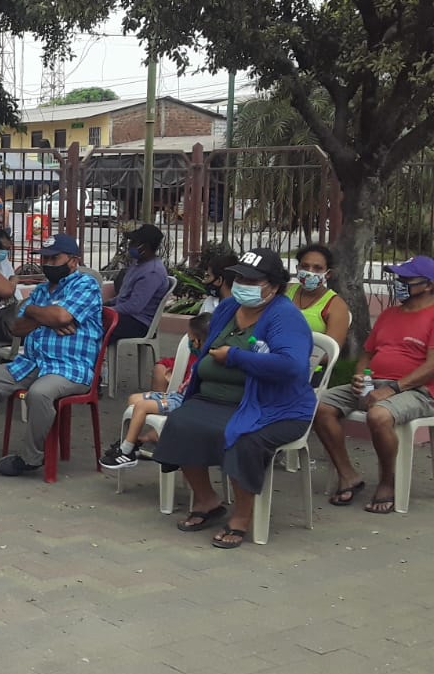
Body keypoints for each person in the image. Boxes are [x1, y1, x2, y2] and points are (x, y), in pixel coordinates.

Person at [152, 249, 316, 549]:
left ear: (274, 286)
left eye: (252, 281)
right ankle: (207, 500)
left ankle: (242, 516)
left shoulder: (284, 316)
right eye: (240, 278)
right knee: (180, 423)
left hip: (273, 407)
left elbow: (292, 366)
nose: (243, 285)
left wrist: (236, 357)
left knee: (242, 438)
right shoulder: (228, 308)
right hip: (214, 400)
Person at [0, 233, 104, 476]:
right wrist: (43, 315)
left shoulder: (85, 285)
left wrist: (37, 313)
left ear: (73, 260)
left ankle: (31, 458)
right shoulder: (42, 290)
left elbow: (61, 317)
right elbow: (17, 327)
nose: (47, 264)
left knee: (40, 393)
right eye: (44, 259)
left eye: (54, 258)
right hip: (33, 363)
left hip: (70, 367)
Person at [312, 255, 434, 514]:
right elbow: (367, 354)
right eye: (398, 278)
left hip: (418, 390)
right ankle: (348, 476)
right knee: (318, 406)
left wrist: (393, 389)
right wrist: (360, 377)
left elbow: (431, 366)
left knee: (379, 416)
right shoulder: (390, 314)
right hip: (375, 383)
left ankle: (387, 482)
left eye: (406, 279)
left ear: (428, 284)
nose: (399, 283)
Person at [100, 313, 212, 471]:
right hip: (177, 395)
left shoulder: (208, 362)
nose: (188, 341)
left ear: (197, 341)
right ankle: (135, 441)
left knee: (142, 407)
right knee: (134, 399)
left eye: (190, 338)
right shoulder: (198, 357)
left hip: (184, 402)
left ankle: (126, 451)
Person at [107, 224, 171, 343]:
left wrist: (108, 310)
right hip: (125, 316)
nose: (130, 245)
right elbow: (124, 296)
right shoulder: (138, 264)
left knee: (92, 324)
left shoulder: (152, 272)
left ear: (145, 246)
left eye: (134, 242)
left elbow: (134, 306)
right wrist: (108, 303)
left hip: (138, 323)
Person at [286, 243, 349, 352]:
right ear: (297, 268)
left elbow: (330, 351)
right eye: (305, 266)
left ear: (328, 274)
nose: (310, 272)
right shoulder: (285, 291)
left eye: (317, 268)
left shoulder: (336, 306)